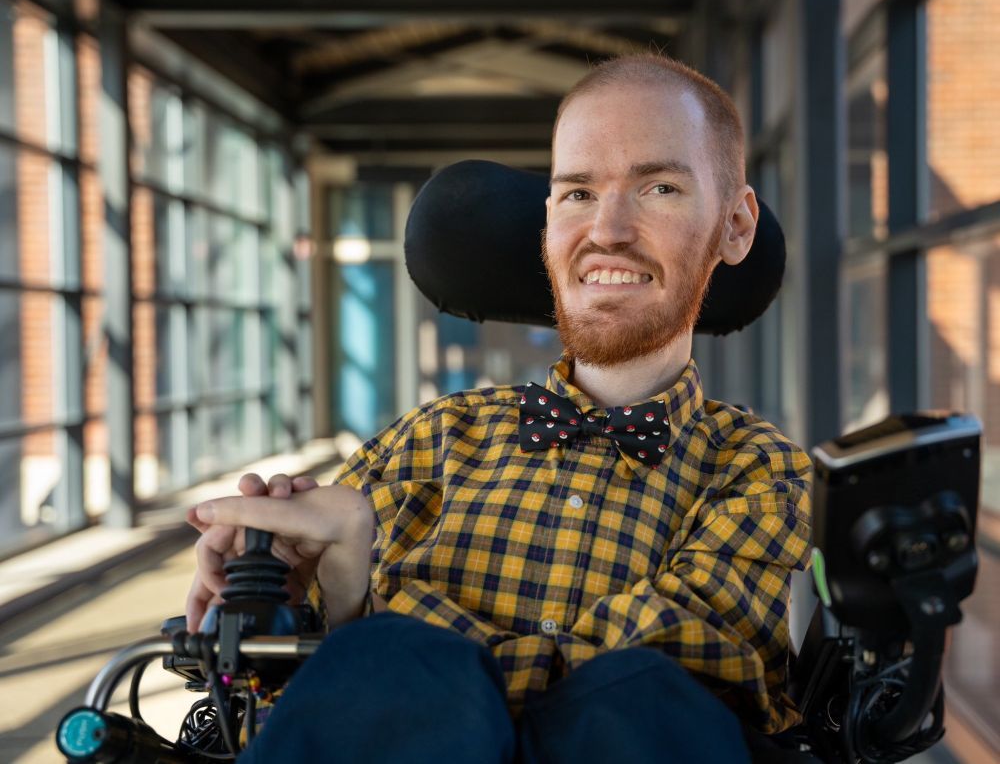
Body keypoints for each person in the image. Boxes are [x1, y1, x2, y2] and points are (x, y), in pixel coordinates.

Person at [185, 53, 812, 763]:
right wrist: (290, 592)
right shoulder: (421, 443)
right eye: (577, 193)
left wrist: (371, 634)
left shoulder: (765, 474)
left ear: (734, 226)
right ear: (547, 222)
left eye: (659, 187)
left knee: (634, 697)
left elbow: (678, 680)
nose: (607, 229)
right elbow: (284, 716)